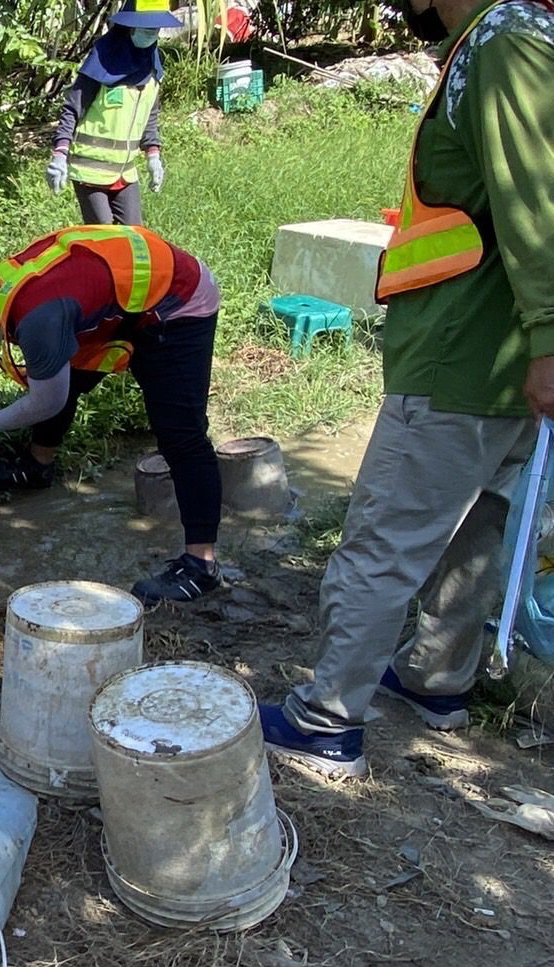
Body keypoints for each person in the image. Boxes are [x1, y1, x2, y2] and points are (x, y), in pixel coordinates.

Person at [258, 0, 554, 778]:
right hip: (505, 360)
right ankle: (435, 678)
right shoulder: (521, 35)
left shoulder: (505, 37)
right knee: (486, 518)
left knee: (384, 539)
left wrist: (550, 335)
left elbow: (536, 203)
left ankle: (326, 720)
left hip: (468, 352)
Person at [0, 225, 225, 607]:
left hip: (179, 301)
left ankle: (201, 565)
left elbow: (47, 400)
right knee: (58, 368)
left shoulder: (39, 317)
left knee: (181, 435)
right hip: (121, 304)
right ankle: (38, 465)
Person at [45, 0, 182, 224]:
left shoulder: (152, 66)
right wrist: (60, 155)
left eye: (155, 30)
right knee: (105, 239)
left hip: (125, 172)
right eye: (147, 30)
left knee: (134, 238)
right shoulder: (102, 61)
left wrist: (153, 155)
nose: (151, 35)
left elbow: (150, 116)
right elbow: (72, 109)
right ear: (130, 28)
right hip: (90, 171)